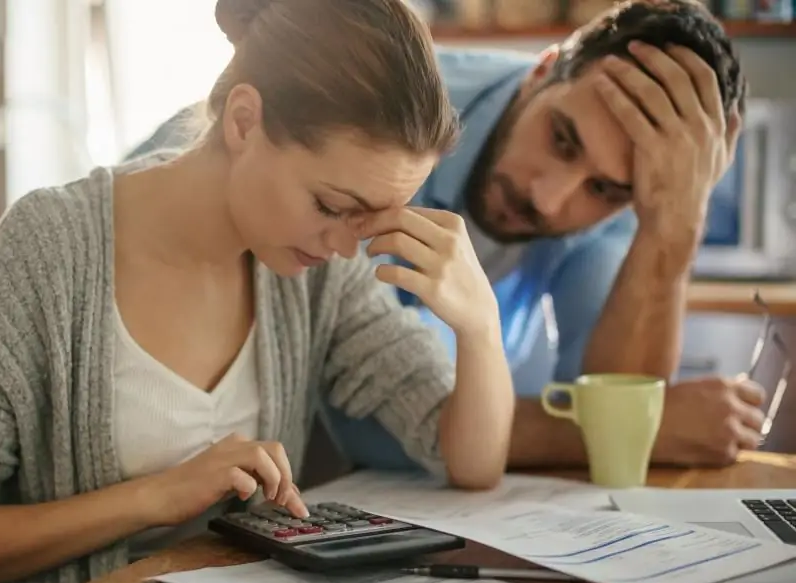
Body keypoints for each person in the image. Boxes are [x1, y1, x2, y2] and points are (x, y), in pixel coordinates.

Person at [0, 0, 514, 583]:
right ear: (243, 121)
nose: (348, 246)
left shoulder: (312, 271)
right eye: (333, 207)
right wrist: (151, 498)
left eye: (370, 220)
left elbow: (468, 459)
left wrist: (479, 328)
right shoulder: (46, 254)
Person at [130, 0, 767, 473]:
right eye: (561, 139)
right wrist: (639, 432)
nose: (551, 197)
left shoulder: (633, 186)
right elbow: (380, 429)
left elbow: (612, 426)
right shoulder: (387, 131)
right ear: (542, 71)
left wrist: (671, 230)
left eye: (606, 191)